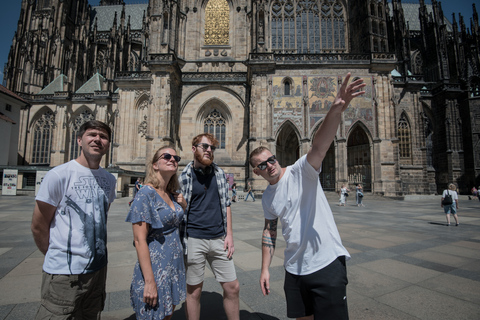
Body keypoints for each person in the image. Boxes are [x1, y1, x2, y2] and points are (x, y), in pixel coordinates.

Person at [250, 73, 365, 320]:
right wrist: (265, 269)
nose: (269, 165)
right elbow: (269, 232)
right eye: (262, 164)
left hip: (326, 264)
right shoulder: (267, 198)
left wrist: (335, 110)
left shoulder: (302, 171)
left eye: (271, 159)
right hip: (294, 269)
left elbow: (319, 146)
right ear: (256, 172)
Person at [31, 120, 117, 319]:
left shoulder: (109, 180)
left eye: (103, 137)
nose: (97, 140)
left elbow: (101, 218)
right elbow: (38, 225)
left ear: (108, 144)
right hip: (64, 273)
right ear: (79, 140)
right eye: (92, 135)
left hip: (97, 269)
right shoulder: (58, 175)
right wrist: (56, 253)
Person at [179, 133, 240, 320]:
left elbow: (227, 204)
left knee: (232, 287)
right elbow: (179, 209)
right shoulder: (183, 177)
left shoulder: (220, 174)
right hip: (194, 239)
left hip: (219, 238)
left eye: (212, 147)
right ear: (193, 148)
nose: (208, 150)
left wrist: (229, 234)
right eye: (204, 146)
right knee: (194, 292)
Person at [126, 146, 186, 320]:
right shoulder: (145, 194)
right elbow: (139, 240)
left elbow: (175, 220)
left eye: (176, 157)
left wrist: (184, 205)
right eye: (166, 156)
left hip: (173, 266)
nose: (172, 159)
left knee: (167, 316)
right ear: (155, 165)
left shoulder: (171, 193)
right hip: (155, 269)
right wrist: (150, 282)